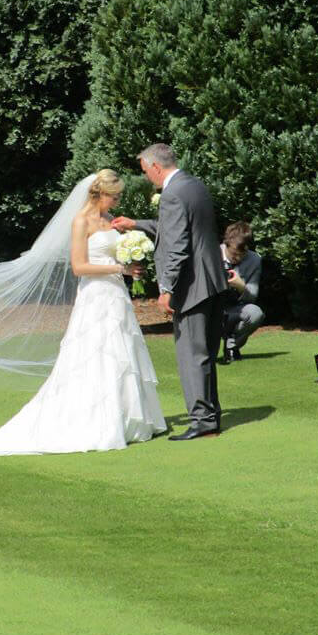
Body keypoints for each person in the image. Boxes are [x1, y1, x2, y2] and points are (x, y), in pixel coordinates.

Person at [0, 169, 167, 455]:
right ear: (98, 194)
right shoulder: (80, 221)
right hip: (95, 296)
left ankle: (125, 418)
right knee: (95, 353)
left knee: (120, 352)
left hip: (115, 294)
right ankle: (95, 419)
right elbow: (79, 267)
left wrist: (130, 259)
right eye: (114, 196)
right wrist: (119, 268)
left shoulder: (111, 221)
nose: (117, 201)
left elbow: (114, 253)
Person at [112, 144, 227, 440]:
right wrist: (135, 223)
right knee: (205, 353)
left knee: (191, 355)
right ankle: (210, 416)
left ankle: (202, 421)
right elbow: (174, 228)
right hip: (212, 281)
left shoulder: (172, 193)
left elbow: (176, 245)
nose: (147, 177)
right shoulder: (193, 185)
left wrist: (166, 288)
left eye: (145, 171)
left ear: (155, 167)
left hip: (192, 286)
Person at [221, 221, 264, 363]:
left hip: (236, 307)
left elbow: (252, 296)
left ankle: (231, 346)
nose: (238, 258)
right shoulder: (211, 254)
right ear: (226, 243)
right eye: (234, 254)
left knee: (256, 313)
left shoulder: (254, 259)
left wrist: (241, 286)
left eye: (242, 254)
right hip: (212, 308)